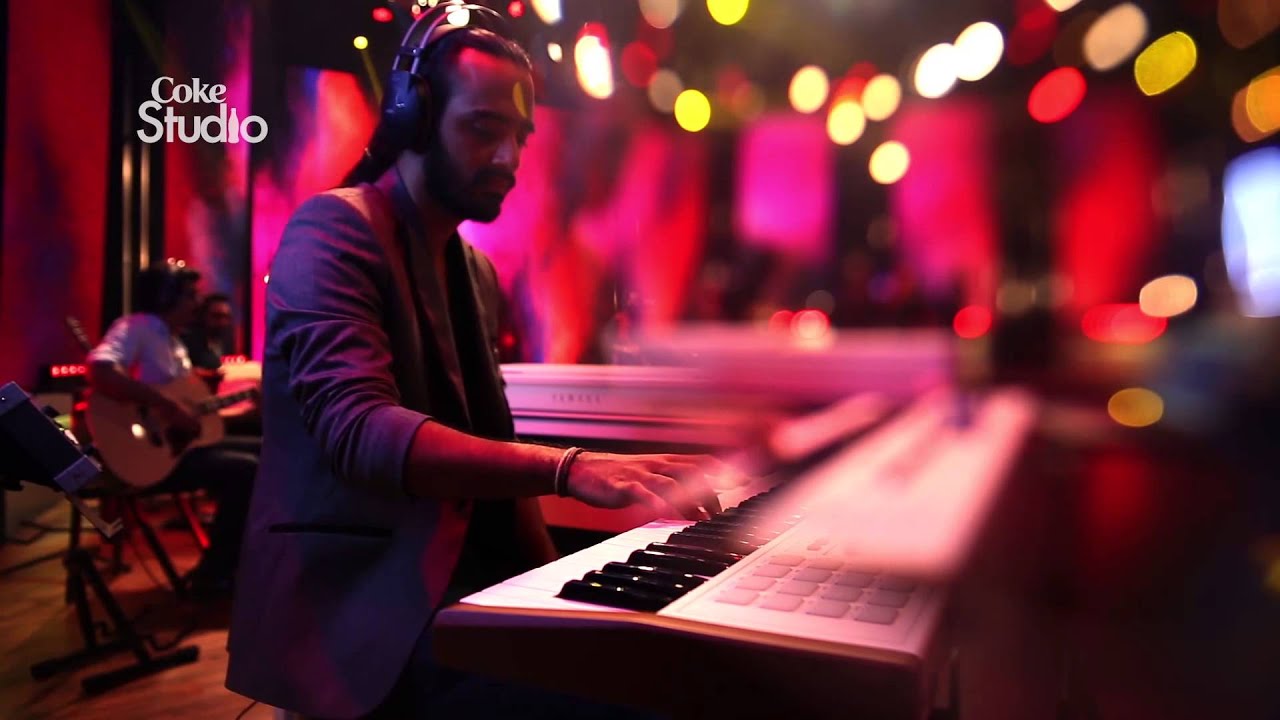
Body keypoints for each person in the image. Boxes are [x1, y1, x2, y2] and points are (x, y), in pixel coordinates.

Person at [225, 5, 736, 718]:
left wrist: (569, 591)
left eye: (518, 136)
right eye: (482, 128)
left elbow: (490, 451)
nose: (508, 158)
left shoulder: (474, 270)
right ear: (413, 116)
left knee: (681, 669)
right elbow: (359, 430)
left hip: (462, 594)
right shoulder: (331, 230)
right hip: (365, 616)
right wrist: (571, 467)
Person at [86, 261, 258, 596]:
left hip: (175, 448)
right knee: (247, 470)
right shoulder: (137, 327)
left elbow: (189, 410)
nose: (197, 303)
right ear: (166, 297)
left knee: (265, 450)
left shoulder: (173, 341)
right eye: (190, 295)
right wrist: (166, 406)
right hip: (148, 456)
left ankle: (236, 561)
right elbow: (100, 371)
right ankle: (214, 574)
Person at [182, 292, 234, 374]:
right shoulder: (190, 342)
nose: (223, 322)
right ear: (203, 316)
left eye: (226, 317)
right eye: (216, 316)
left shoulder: (225, 340)